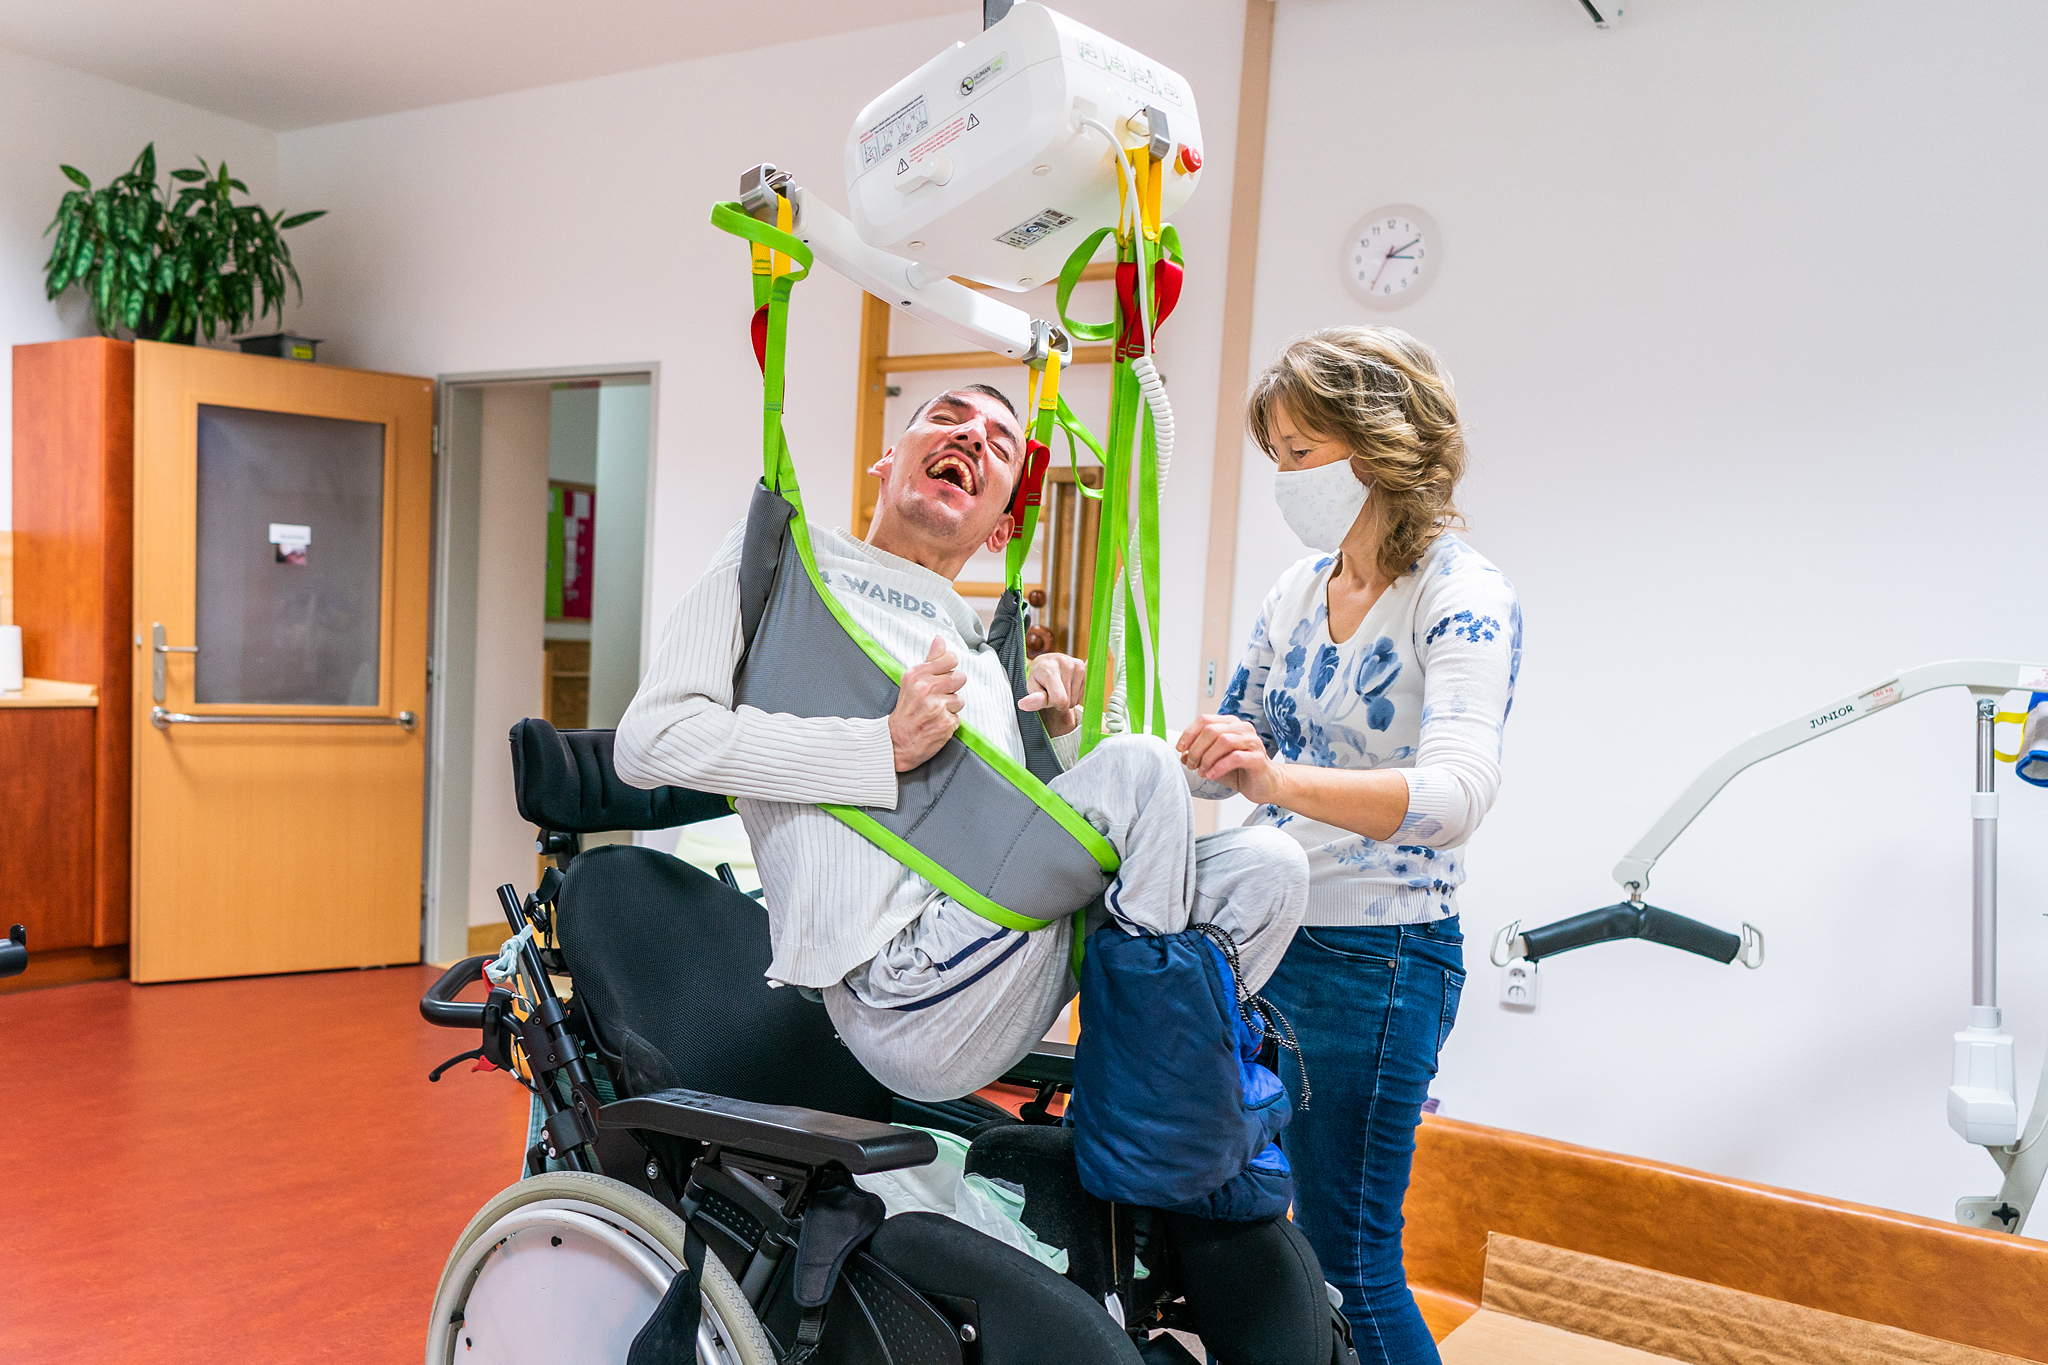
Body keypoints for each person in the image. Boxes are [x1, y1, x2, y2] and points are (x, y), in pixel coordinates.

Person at [616, 384, 1309, 1103]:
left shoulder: (982, 653)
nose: (971, 436)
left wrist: (1061, 736)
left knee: (1271, 866)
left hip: (995, 951)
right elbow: (650, 740)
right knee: (1140, 765)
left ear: (1002, 530)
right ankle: (1143, 1102)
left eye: (999, 445)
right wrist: (880, 747)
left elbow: (1010, 844)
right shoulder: (784, 566)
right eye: (947, 419)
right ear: (887, 461)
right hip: (897, 988)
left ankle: (1157, 1070)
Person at [1177, 328, 1520, 1363]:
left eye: (1300, 453)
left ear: (1379, 448)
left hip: (1379, 959)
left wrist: (1275, 781)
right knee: (1263, 1242)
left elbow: (1455, 796)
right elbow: (1230, 757)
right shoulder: (1296, 591)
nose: (1286, 479)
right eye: (1277, 455)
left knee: (1349, 1262)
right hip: (1265, 939)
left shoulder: (1461, 596)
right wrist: (1144, 753)